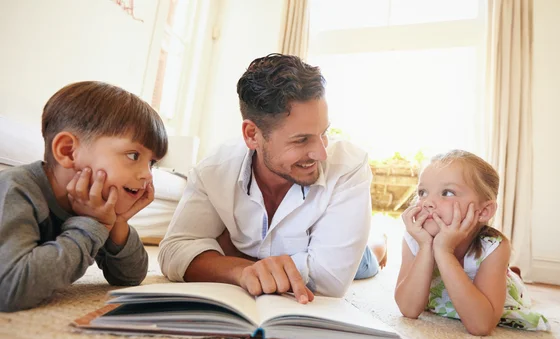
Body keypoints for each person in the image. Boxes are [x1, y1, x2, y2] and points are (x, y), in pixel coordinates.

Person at [159, 53, 384, 303]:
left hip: (340, 242)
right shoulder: (214, 170)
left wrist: (222, 257)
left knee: (366, 262)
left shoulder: (348, 166)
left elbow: (330, 280)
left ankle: (378, 243)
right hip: (285, 250)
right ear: (252, 134)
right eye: (301, 140)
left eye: (324, 133)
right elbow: (172, 252)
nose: (321, 152)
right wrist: (241, 270)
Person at [0, 81, 168, 312]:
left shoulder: (92, 203)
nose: (146, 174)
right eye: (133, 155)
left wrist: (117, 224)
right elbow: (10, 289)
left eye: (152, 163)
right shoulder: (16, 189)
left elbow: (130, 277)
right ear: (68, 151)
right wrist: (91, 225)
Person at [395, 150, 549, 335]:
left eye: (447, 192)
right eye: (423, 192)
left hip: (487, 294)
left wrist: (444, 251)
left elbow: (481, 326)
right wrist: (426, 247)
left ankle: (509, 276)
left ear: (483, 211)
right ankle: (507, 272)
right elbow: (408, 309)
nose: (428, 202)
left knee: (510, 285)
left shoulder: (493, 246)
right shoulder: (415, 239)